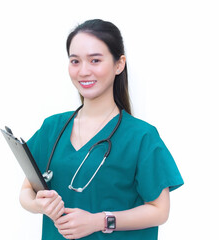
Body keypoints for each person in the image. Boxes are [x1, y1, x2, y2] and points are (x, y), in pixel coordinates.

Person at [19, 19, 183, 240]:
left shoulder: (141, 136)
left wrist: (99, 221)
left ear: (119, 64)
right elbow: (27, 191)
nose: (84, 71)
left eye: (95, 60)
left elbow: (159, 210)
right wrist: (40, 206)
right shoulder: (53, 128)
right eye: (75, 61)